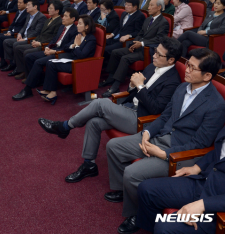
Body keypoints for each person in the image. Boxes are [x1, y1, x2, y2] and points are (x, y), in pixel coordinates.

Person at [105, 48, 225, 234]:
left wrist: (163, 154)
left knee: (132, 173)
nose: (186, 69)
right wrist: (147, 132)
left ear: (207, 75)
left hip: (181, 152)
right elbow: (164, 116)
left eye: (192, 68)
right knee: (114, 146)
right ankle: (123, 191)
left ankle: (135, 213)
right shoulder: (181, 87)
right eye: (187, 64)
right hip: (160, 137)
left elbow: (201, 143)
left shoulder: (216, 104)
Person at [37, 37, 182, 184]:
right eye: (155, 51)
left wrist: (140, 87)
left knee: (100, 103)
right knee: (94, 122)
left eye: (159, 54)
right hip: (129, 108)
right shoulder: (152, 66)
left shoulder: (173, 81)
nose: (154, 55)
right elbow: (134, 92)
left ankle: (64, 126)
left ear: (171, 60)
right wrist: (133, 86)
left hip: (142, 119)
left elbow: (156, 108)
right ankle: (89, 164)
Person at [137, 124, 225, 234]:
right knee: (146, 189)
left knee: (164, 228)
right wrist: (196, 167)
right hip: (204, 181)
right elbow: (219, 151)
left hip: (218, 202)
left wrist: (204, 204)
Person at [12, 15, 96, 104]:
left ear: (86, 26)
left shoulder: (91, 39)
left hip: (79, 64)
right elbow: (67, 47)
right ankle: (49, 90)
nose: (77, 25)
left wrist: (77, 45)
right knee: (49, 62)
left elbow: (82, 56)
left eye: (80, 23)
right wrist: (74, 45)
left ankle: (48, 92)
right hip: (70, 58)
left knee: (51, 64)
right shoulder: (78, 35)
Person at [101, 0, 169, 97]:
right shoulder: (148, 19)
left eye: (151, 5)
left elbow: (159, 39)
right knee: (115, 52)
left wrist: (141, 44)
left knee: (125, 58)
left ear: (159, 7)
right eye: (149, 5)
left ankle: (116, 86)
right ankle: (111, 77)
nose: (148, 8)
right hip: (138, 47)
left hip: (147, 50)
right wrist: (134, 43)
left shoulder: (163, 22)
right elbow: (140, 33)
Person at [13, 0, 63, 80]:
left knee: (26, 52)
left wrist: (40, 43)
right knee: (18, 48)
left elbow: (54, 38)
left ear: (57, 11)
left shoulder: (59, 22)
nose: (48, 10)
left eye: (50, 8)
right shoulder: (49, 20)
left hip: (44, 45)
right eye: (48, 8)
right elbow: (41, 33)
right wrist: (35, 40)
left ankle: (31, 76)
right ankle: (23, 71)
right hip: (38, 41)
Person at [2, 0, 46, 74]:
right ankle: (13, 63)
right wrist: (19, 34)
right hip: (23, 37)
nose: (26, 7)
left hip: (31, 39)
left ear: (35, 7)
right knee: (6, 42)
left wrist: (25, 39)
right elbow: (24, 27)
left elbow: (36, 32)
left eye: (28, 5)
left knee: (16, 45)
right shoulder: (29, 15)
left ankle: (19, 68)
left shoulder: (41, 17)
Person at [0, 0, 28, 69]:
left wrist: (12, 33)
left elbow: (24, 28)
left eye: (20, 3)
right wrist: (9, 31)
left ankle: (2, 61)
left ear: (26, 4)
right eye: (18, 2)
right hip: (11, 32)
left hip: (17, 34)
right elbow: (12, 24)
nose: (18, 4)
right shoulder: (18, 12)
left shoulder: (27, 14)